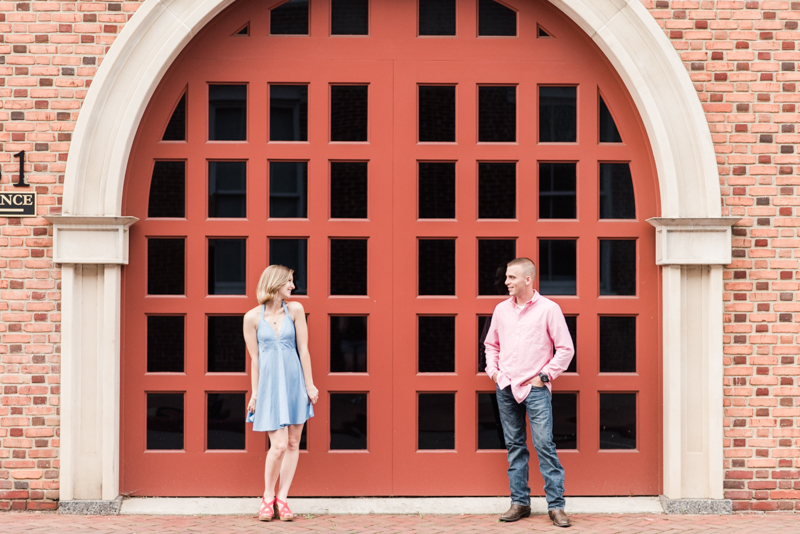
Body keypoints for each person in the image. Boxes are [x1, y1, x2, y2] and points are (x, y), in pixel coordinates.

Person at [484, 257, 575, 528]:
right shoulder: (501, 310)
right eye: (506, 278)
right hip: (506, 387)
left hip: (535, 389)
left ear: (527, 279)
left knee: (544, 445)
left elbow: (565, 348)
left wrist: (544, 377)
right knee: (514, 446)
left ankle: (556, 507)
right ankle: (520, 502)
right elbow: (492, 345)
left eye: (511, 277)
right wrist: (495, 373)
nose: (506, 282)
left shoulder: (549, 309)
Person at [243, 265, 319, 522]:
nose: (293, 286)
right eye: (289, 281)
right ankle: (267, 496)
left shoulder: (295, 310)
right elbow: (255, 360)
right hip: (270, 388)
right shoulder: (251, 318)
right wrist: (255, 394)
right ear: (275, 283)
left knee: (293, 443)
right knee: (277, 446)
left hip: (294, 383)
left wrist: (309, 385)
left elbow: (304, 350)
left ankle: (283, 498)